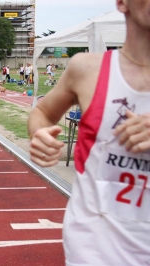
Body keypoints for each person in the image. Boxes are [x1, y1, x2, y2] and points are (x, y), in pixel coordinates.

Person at [28, 1, 150, 265]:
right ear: (122, 3)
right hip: (93, 242)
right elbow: (43, 112)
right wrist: (40, 135)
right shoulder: (86, 69)